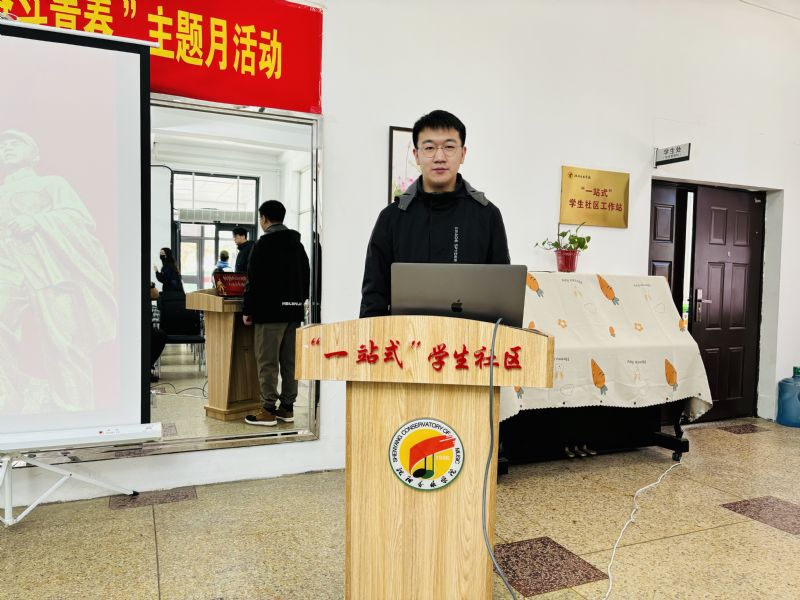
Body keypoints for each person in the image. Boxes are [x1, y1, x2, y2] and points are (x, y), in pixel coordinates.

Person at [0, 129, 116, 412]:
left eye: (16, 143)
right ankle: (9, 402)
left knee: (64, 341)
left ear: (34, 155)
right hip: (8, 270)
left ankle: (74, 409)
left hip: (48, 272)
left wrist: (37, 221)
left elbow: (79, 219)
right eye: (3, 145)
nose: (7, 147)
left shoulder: (51, 184)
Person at [360, 110, 510, 317]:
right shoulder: (392, 218)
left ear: (463, 154)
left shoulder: (487, 216)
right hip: (406, 335)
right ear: (416, 155)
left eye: (449, 147)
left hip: (470, 337)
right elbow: (373, 299)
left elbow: (501, 297)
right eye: (429, 148)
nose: (439, 157)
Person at [242, 200, 310, 426]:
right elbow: (306, 276)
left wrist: (248, 309)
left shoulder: (262, 245)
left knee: (268, 362)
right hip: (294, 313)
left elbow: (253, 280)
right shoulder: (298, 245)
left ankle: (268, 410)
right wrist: (298, 302)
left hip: (269, 313)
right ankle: (287, 408)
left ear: (264, 219)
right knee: (290, 363)